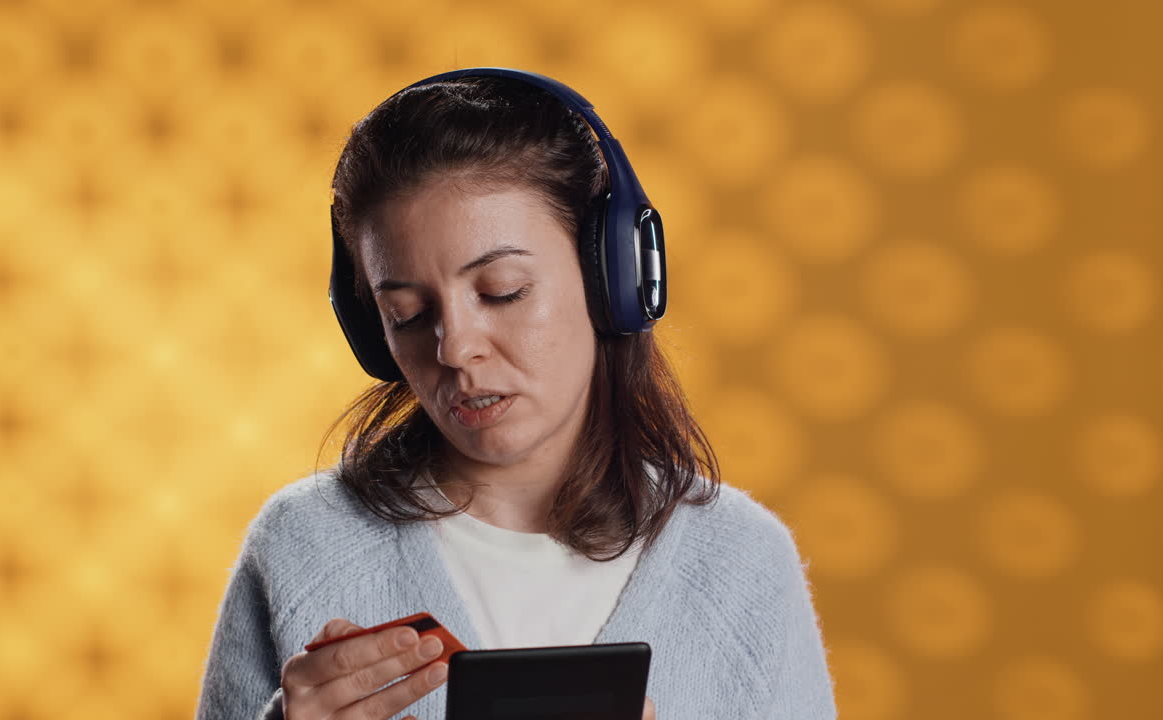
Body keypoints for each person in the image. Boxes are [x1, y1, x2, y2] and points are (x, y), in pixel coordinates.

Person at [194, 68, 837, 720]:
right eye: (409, 313)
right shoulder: (303, 546)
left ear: (610, 276)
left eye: (502, 290)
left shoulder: (743, 564)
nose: (453, 348)